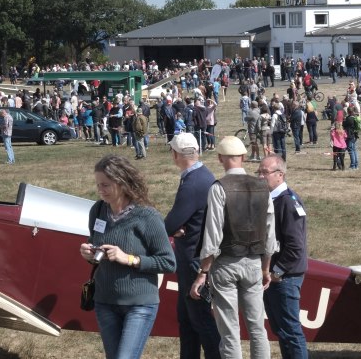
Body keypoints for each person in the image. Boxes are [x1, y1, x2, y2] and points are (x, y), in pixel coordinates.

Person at [79, 155, 176, 359]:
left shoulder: (147, 217)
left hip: (139, 304)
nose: (100, 190)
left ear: (122, 183)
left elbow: (168, 262)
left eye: (105, 185)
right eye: (98, 185)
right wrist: (89, 253)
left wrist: (129, 259)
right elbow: (95, 243)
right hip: (105, 301)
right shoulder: (97, 210)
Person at [190, 136, 277, 359]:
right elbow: (270, 235)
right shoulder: (263, 187)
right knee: (258, 329)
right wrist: (266, 268)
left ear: (220, 159)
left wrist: (203, 272)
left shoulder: (219, 188)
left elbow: (212, 236)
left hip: (226, 264)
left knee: (230, 332)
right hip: (254, 263)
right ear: (244, 157)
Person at [165, 134, 221, 359]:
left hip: (192, 259)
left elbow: (170, 223)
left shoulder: (194, 181)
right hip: (192, 256)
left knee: (199, 320)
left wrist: (173, 229)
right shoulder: (200, 175)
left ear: (176, 154)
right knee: (187, 319)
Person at [258, 154, 308, 359]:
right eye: (258, 172)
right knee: (281, 330)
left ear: (280, 175)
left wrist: (277, 272)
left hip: (285, 276)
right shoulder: (272, 199)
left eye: (265, 173)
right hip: (275, 276)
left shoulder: (287, 202)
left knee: (291, 332)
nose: (260, 177)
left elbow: (296, 246)